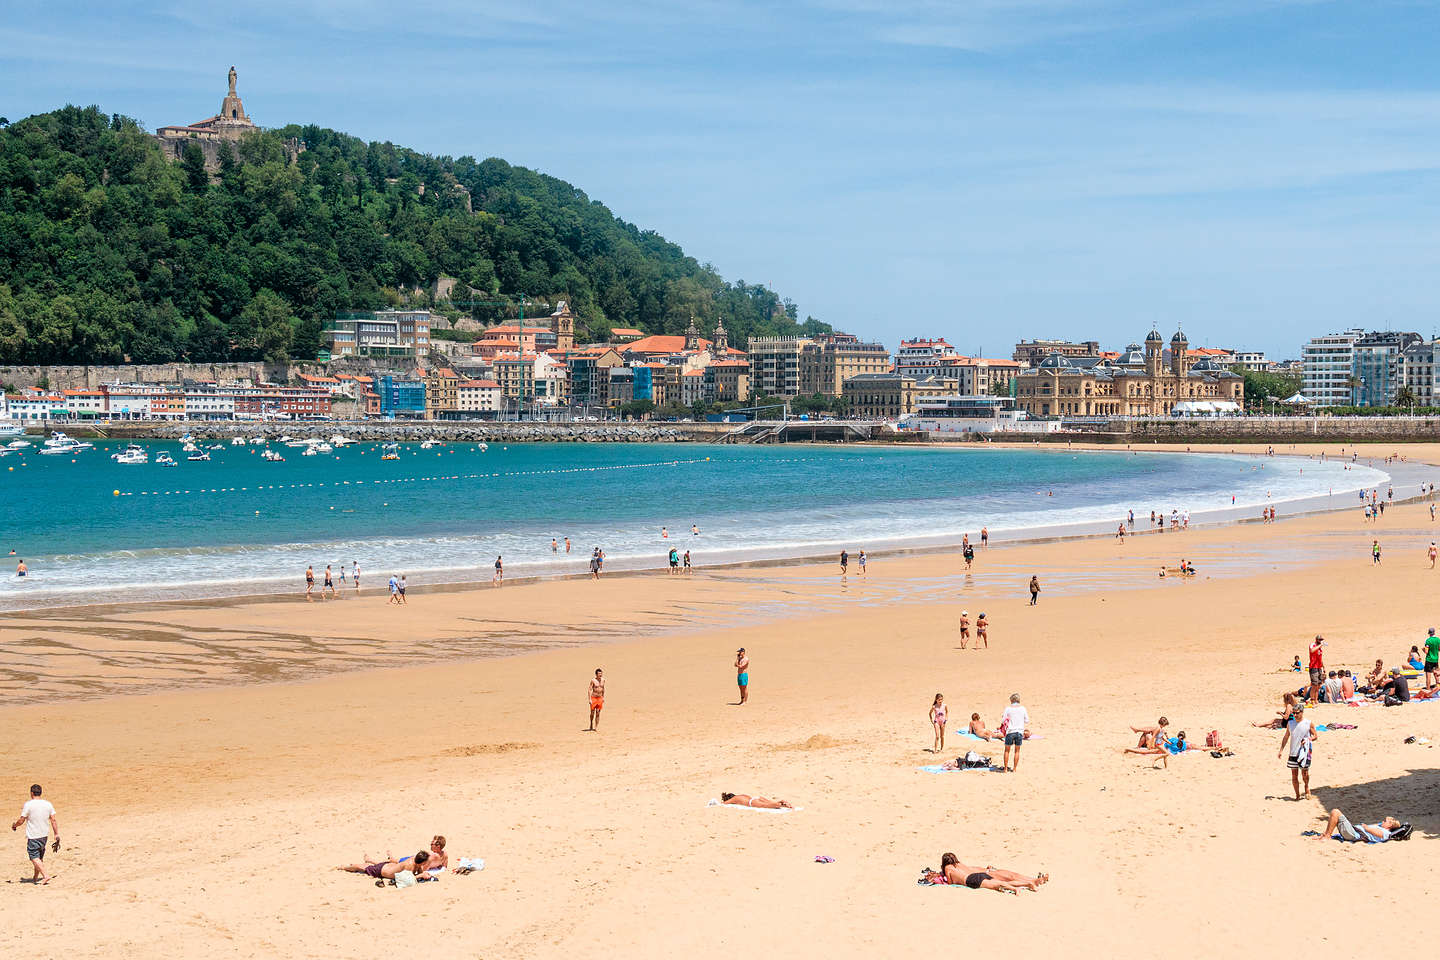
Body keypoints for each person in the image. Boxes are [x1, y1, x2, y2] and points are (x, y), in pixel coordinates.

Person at [924, 853, 1047, 894]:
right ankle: (1033, 880)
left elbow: (951, 881)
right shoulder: (960, 865)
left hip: (982, 874)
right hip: (985, 871)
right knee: (1010, 876)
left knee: (1008, 879)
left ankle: (1032, 881)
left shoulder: (951, 869)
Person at [11, 784, 57, 885]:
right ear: (40, 792)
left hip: (33, 836)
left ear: (32, 793)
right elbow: (53, 820)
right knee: (39, 858)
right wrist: (56, 834)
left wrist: (15, 825)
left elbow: (22, 820)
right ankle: (35, 877)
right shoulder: (48, 804)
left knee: (33, 856)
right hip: (44, 835)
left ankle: (45, 875)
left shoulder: (28, 804)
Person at [1278, 703, 1318, 801]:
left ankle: (1306, 787)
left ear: (1302, 712)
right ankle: (1297, 795)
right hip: (1293, 752)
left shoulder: (1308, 723)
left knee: (1305, 774)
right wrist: (1281, 750)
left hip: (1304, 752)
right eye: (1294, 713)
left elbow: (1315, 736)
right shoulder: (1290, 723)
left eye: (1297, 713)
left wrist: (1308, 739)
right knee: (1294, 775)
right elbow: (1286, 736)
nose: (1295, 715)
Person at [1316, 809, 1403, 843]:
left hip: (1353, 835)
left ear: (1389, 826)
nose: (1382, 821)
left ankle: (1327, 836)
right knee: (1336, 814)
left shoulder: (1385, 833)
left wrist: (1366, 827)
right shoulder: (1382, 827)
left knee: (1335, 812)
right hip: (1353, 832)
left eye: (1385, 821)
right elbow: (1376, 826)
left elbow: (1370, 830)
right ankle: (1327, 834)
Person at [337, 850, 431, 881]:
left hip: (389, 866)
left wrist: (421, 871)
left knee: (371, 864)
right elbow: (406, 879)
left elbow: (418, 869)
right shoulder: (409, 865)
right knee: (362, 867)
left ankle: (369, 860)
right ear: (422, 862)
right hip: (382, 871)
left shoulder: (415, 860)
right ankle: (344, 867)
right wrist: (421, 875)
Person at [1000, 693, 1029, 773]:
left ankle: (1005, 769)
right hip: (1019, 731)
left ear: (1011, 700)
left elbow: (1003, 720)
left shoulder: (1008, 709)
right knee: (1017, 751)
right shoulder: (1023, 708)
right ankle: (1014, 769)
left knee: (1007, 750)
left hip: (1010, 731)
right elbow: (1027, 720)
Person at [1306, 636, 1325, 705]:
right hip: (1313, 667)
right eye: (1320, 640)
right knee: (1314, 685)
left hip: (1319, 667)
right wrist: (1320, 645)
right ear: (1317, 640)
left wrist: (1323, 667)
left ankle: (1316, 699)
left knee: (1318, 685)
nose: (1321, 641)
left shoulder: (1320, 649)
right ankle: (1312, 700)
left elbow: (1320, 658)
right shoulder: (1313, 645)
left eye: (1321, 640)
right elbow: (1312, 650)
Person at [720, 793, 791, 809]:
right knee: (771, 803)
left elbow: (724, 803)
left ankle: (781, 803)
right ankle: (781, 802)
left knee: (768, 806)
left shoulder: (734, 799)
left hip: (752, 802)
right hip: (756, 798)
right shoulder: (741, 795)